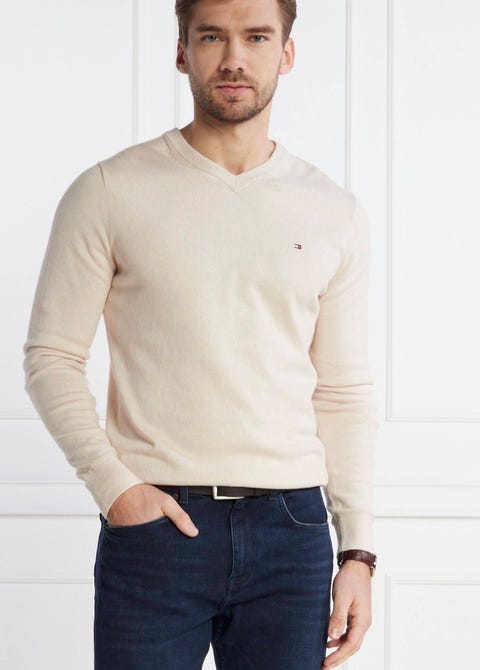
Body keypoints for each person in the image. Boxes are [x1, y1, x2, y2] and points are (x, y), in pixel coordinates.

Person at [22, 0, 379, 668]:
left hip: (293, 532)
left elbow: (342, 390)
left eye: (257, 37)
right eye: (212, 36)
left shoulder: (333, 211)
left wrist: (357, 550)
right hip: (157, 526)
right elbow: (52, 356)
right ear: (182, 52)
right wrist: (114, 486)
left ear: (286, 54)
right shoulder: (109, 191)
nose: (234, 59)